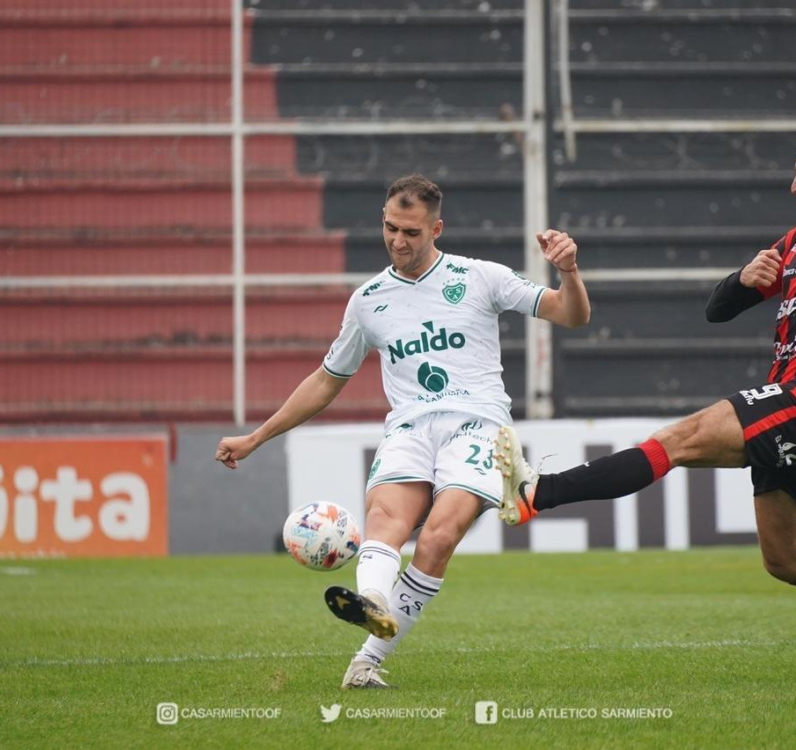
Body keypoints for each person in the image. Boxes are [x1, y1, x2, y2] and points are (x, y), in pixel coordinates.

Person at [495, 123, 796, 678]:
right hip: (789, 402)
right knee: (787, 560)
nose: (794, 184)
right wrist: (743, 279)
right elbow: (717, 310)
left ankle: (537, 494)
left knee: (679, 439)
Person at [216, 174, 591, 688]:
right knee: (383, 518)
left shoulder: (480, 277)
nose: (398, 241)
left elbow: (571, 314)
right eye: (391, 228)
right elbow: (326, 380)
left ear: (436, 229)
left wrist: (568, 271)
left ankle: (367, 658)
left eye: (411, 232)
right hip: (411, 427)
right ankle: (372, 602)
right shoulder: (368, 300)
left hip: (478, 426)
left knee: (438, 536)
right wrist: (256, 437)